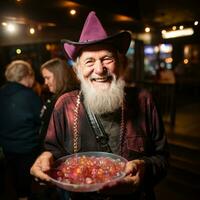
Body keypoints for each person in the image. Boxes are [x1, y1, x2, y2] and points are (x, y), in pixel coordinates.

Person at [30, 11, 169, 200]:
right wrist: (45, 158)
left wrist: (145, 170)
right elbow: (53, 151)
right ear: (77, 70)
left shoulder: (144, 100)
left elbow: (162, 158)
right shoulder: (65, 104)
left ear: (120, 64)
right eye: (89, 61)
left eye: (107, 59)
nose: (99, 69)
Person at [0, 60, 42, 200]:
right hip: (28, 148)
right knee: (31, 183)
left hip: (7, 147)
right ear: (27, 75)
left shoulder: (1, 92)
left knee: (16, 180)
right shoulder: (30, 95)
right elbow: (41, 121)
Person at [39, 57, 79, 145]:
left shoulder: (66, 100)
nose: (45, 82)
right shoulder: (55, 97)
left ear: (59, 76)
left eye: (48, 78)